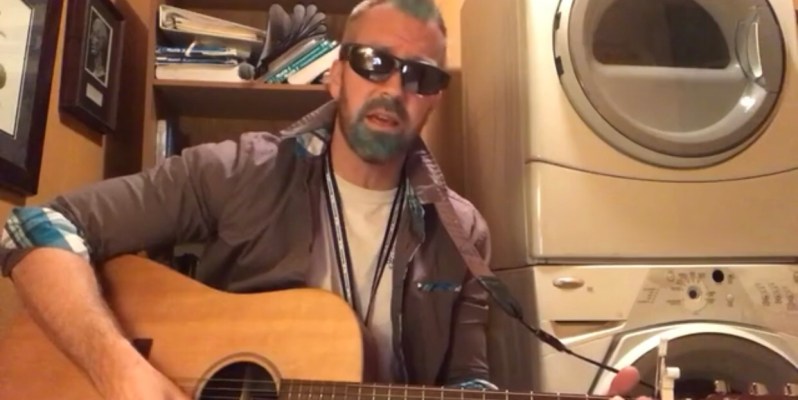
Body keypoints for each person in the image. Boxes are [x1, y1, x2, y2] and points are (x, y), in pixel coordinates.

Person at [0, 0, 644, 398]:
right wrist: (118, 368)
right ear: (335, 73)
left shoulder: (463, 231)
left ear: (433, 98)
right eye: (374, 62)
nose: (394, 87)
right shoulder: (237, 172)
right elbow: (36, 227)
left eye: (420, 75)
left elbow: (465, 380)